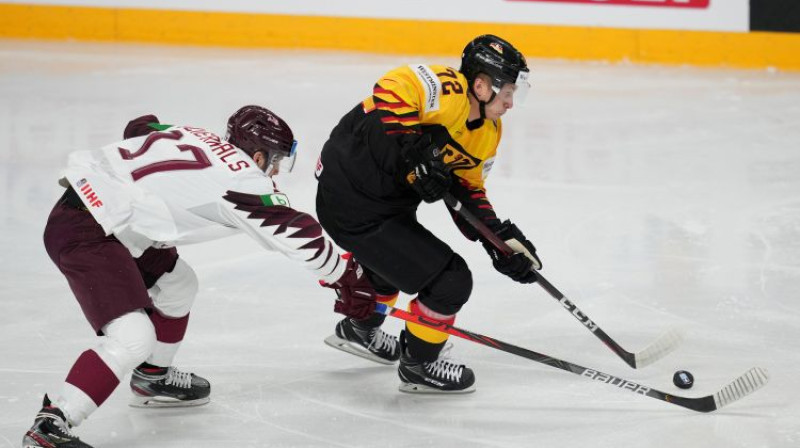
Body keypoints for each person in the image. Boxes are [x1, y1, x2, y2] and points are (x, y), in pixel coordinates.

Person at [22, 106, 376, 448]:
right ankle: (52, 423)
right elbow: (295, 232)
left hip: (115, 219)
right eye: (276, 160)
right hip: (90, 230)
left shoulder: (196, 134)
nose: (276, 171)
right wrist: (347, 275)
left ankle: (152, 377)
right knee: (132, 337)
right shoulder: (242, 177)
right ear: (256, 156)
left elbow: (141, 126)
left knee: (178, 284)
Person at [316, 34, 542, 393]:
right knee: (450, 281)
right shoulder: (447, 88)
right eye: (508, 92)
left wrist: (498, 242)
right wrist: (415, 149)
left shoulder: (488, 132)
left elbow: (467, 190)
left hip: (386, 204)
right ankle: (419, 365)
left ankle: (360, 331)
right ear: (481, 85)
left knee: (393, 267)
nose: (511, 103)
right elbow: (389, 89)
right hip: (349, 196)